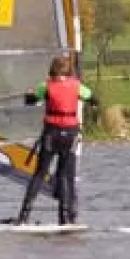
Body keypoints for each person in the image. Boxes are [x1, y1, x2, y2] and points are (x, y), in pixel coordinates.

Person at [16, 55, 95, 225]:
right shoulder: (77, 86)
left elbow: (30, 101)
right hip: (70, 135)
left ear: (52, 69)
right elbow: (93, 99)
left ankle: (24, 216)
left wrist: (28, 95)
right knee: (65, 175)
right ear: (69, 71)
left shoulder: (45, 86)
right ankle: (65, 218)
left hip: (52, 134)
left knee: (39, 174)